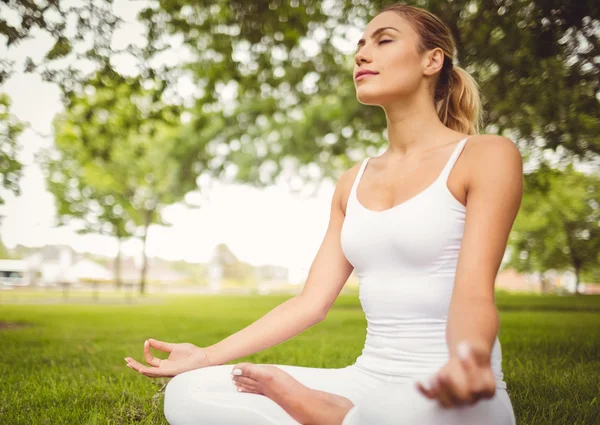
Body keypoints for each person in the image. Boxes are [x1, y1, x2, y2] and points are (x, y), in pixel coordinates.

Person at [125, 3, 523, 424]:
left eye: (384, 40)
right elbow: (310, 303)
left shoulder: (485, 156)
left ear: (432, 60)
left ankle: (332, 415)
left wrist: (470, 358)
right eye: (360, 45)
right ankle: (340, 415)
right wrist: (204, 356)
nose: (362, 54)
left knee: (409, 414)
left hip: (448, 386)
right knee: (191, 389)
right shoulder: (353, 181)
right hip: (366, 379)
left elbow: (473, 291)